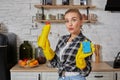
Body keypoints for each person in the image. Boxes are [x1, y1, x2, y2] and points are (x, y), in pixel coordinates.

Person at [37, 8, 95, 80]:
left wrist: (81, 63)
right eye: (67, 21)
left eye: (74, 20)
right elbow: (55, 64)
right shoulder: (62, 39)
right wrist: (47, 50)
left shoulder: (86, 43)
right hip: (61, 77)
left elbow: (86, 72)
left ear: (81, 22)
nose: (70, 24)